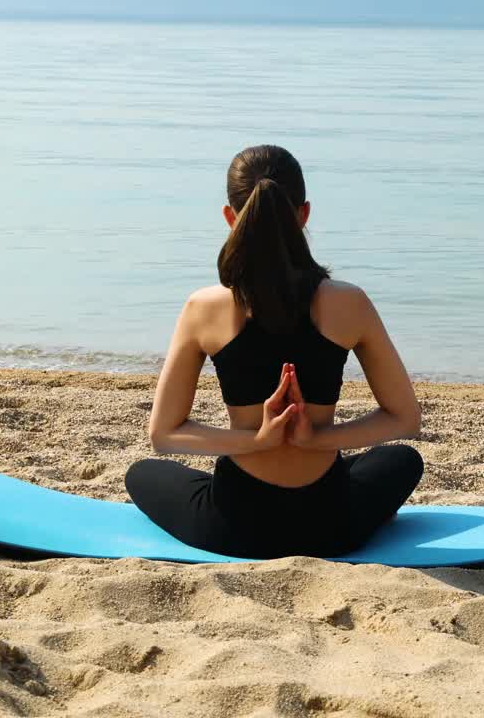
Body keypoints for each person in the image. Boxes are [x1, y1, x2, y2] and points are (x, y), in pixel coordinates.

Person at [125, 145, 424, 559]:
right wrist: (316, 439)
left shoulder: (204, 308)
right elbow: (404, 418)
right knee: (402, 460)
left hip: (236, 527)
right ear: (304, 214)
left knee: (142, 473)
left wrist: (258, 441)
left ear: (231, 217)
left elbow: (164, 435)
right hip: (332, 525)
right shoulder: (349, 304)